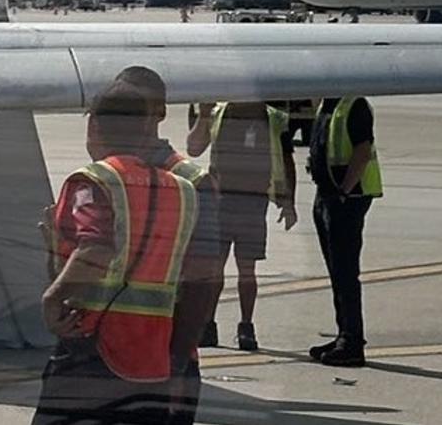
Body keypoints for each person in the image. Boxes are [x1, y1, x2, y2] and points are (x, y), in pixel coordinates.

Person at [32, 80, 216, 425]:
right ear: (148, 126)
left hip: (92, 346)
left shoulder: (94, 180)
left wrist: (52, 297)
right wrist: (177, 363)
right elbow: (203, 277)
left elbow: (98, 247)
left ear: (93, 125)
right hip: (153, 358)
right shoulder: (184, 190)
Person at [188, 100, 297, 352]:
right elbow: (194, 148)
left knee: (246, 270)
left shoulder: (272, 119)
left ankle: (246, 326)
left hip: (253, 201)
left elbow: (286, 159)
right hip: (220, 201)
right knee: (215, 269)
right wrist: (203, 116)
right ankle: (208, 324)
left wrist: (287, 200)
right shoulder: (217, 113)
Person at [308, 94, 380, 365]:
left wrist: (343, 191)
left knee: (346, 271)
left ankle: (351, 341)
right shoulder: (328, 104)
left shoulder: (354, 104)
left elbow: (362, 150)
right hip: (326, 195)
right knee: (337, 271)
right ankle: (343, 334)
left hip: (346, 198)